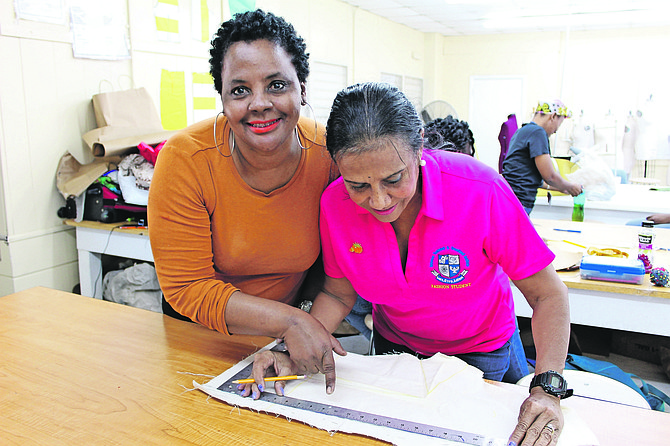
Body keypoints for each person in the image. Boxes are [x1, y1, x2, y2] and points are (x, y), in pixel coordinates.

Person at [246, 83, 572, 445]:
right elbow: (338, 294)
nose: (380, 200)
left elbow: (547, 295)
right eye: (358, 186)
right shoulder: (335, 205)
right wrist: (291, 349)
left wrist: (548, 388)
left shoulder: (479, 190)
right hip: (396, 351)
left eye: (394, 179)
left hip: (478, 352)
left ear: (418, 147)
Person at [148, 10, 345, 364]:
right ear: (223, 100)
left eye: (277, 85)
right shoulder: (186, 159)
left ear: (302, 88)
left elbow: (342, 262)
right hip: (199, 335)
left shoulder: (329, 155)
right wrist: (292, 322)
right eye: (240, 90)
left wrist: (297, 328)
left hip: (282, 339)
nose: (259, 104)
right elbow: (186, 287)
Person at [502, 100, 583, 215]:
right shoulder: (537, 133)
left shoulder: (522, 132)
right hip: (520, 202)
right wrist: (570, 186)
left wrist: (564, 188)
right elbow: (550, 176)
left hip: (510, 200)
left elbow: (528, 178)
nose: (554, 132)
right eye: (557, 127)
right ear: (553, 116)